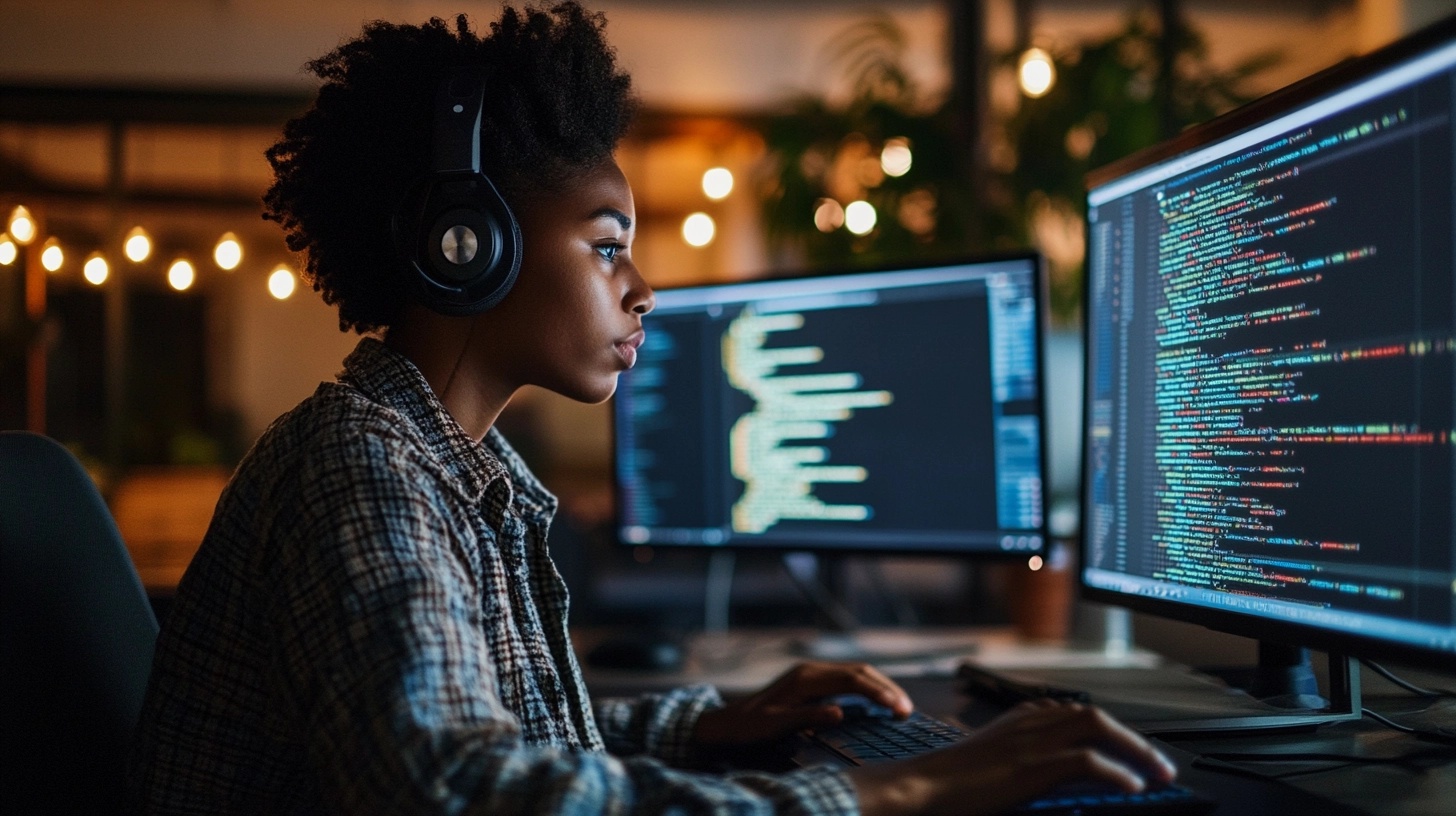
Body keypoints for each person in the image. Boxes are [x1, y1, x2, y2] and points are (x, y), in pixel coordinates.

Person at [128, 4, 1176, 814]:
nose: (643, 290)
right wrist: (897, 789)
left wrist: (706, 723)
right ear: (466, 244)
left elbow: (506, 734)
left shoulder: (438, 466)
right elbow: (458, 793)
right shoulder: (358, 468)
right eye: (605, 244)